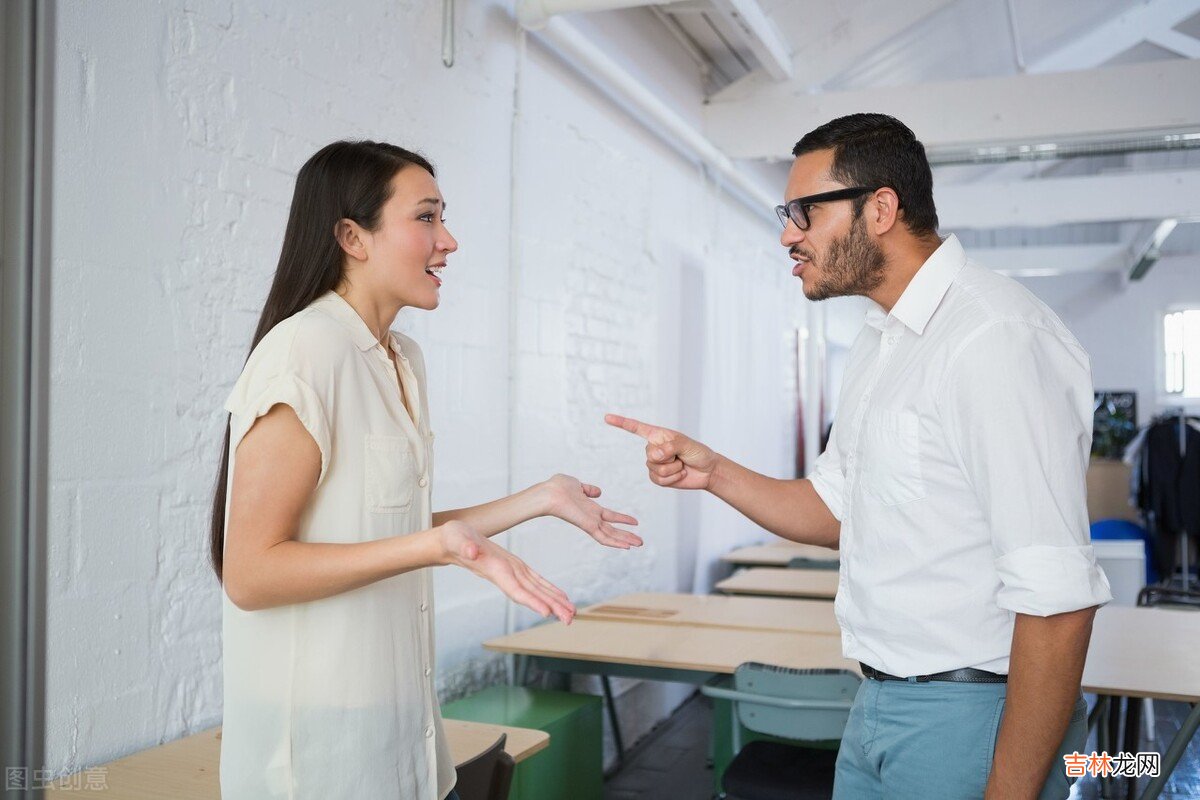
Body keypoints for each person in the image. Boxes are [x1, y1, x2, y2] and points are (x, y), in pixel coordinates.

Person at [607, 113, 1111, 799]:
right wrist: (715, 473)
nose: (789, 234)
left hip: (972, 716)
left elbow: (1058, 602)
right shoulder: (882, 342)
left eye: (805, 213)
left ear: (880, 208)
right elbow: (837, 507)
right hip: (876, 702)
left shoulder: (994, 339)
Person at [211, 140, 642, 800]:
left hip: (398, 741)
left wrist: (541, 498)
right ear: (352, 236)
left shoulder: (399, 356)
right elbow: (250, 571)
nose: (449, 241)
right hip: (319, 761)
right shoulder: (304, 351)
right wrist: (436, 547)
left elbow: (394, 531)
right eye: (427, 218)